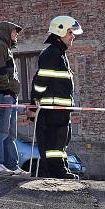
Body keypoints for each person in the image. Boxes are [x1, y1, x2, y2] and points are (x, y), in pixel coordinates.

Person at [29, 16, 83, 179]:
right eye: (70, 32)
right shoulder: (52, 53)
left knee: (61, 141)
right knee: (54, 142)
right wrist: (35, 101)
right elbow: (40, 81)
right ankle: (57, 172)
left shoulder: (58, 53)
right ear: (60, 32)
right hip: (53, 111)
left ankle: (60, 169)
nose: (73, 36)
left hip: (59, 110)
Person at [0, 21, 28, 175]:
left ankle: (12, 165)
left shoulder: (7, 48)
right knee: (0, 132)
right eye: (14, 31)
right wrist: (6, 90)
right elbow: (0, 72)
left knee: (10, 133)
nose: (16, 34)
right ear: (5, 31)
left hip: (9, 96)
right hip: (3, 95)